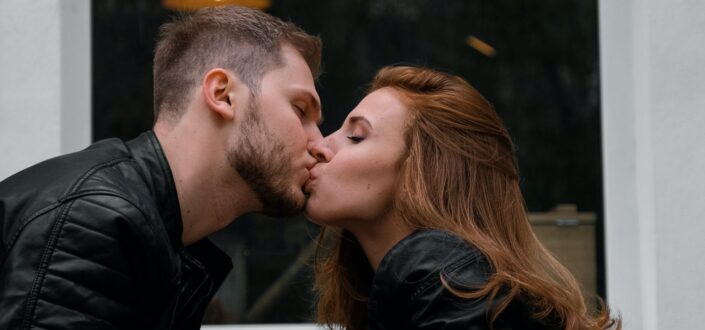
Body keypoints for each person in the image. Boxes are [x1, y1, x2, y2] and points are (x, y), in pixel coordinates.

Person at [0, 6, 323, 329]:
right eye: (300, 110)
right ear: (223, 95)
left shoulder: (162, 237)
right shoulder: (95, 219)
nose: (318, 143)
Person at [305, 66, 621, 330]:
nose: (320, 146)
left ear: (426, 172)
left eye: (356, 137)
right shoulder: (445, 294)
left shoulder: (455, 294)